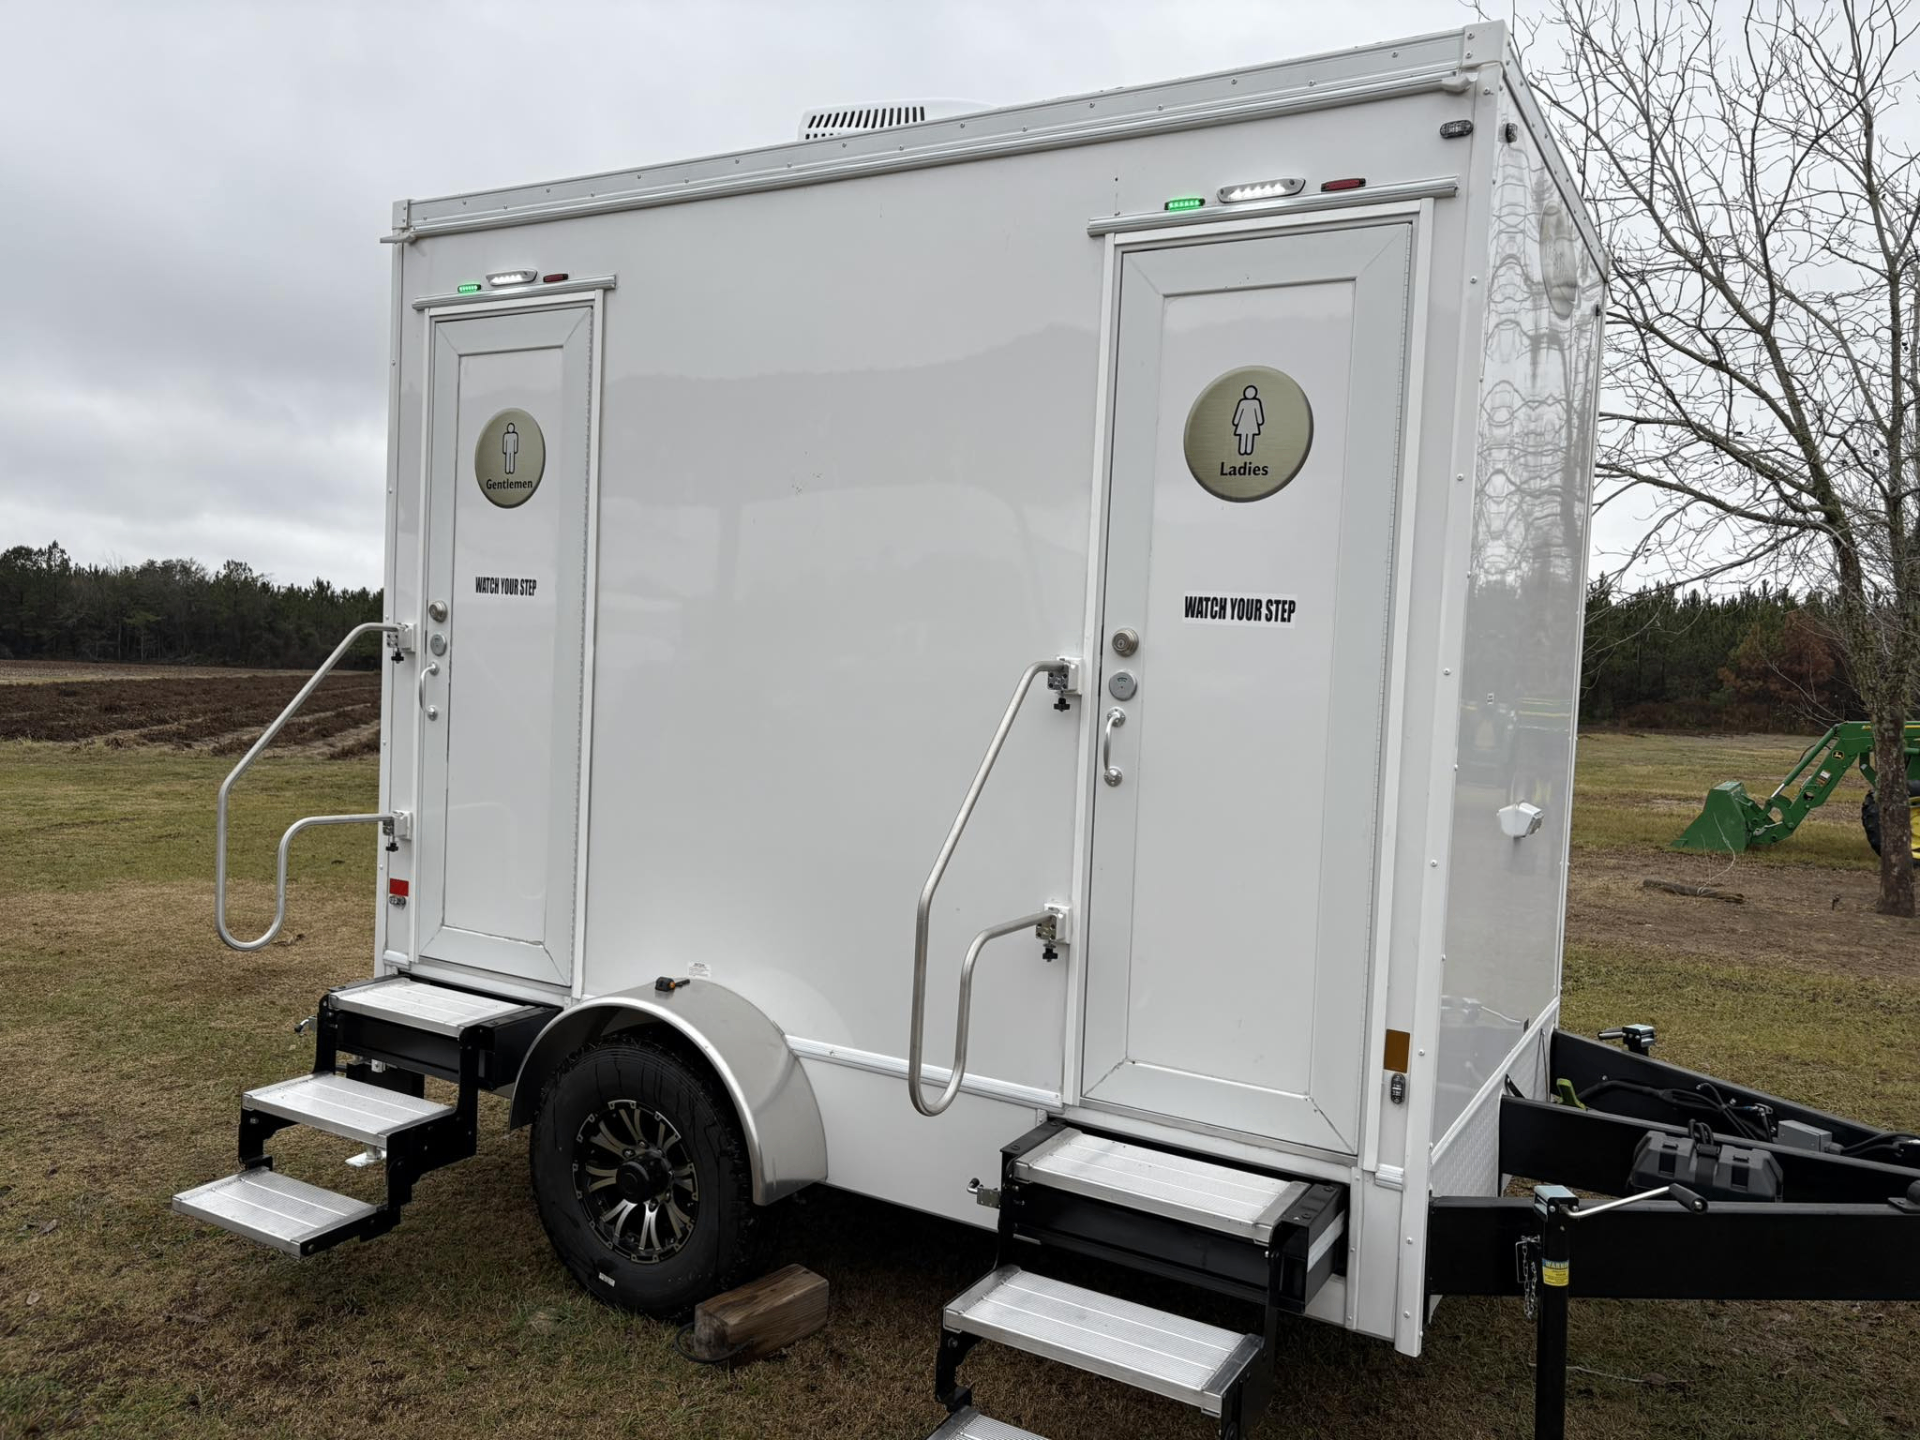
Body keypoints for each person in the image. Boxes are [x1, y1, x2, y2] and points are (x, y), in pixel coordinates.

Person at [1232, 385, 1265, 457]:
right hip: (1249, 423)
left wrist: (1236, 422)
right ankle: (1245, 450)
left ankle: (1244, 450)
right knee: (1247, 436)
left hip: (1246, 423)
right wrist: (1260, 421)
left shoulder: (1248, 402)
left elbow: (1258, 412)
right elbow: (1239, 412)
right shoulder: (1245, 402)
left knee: (1246, 436)